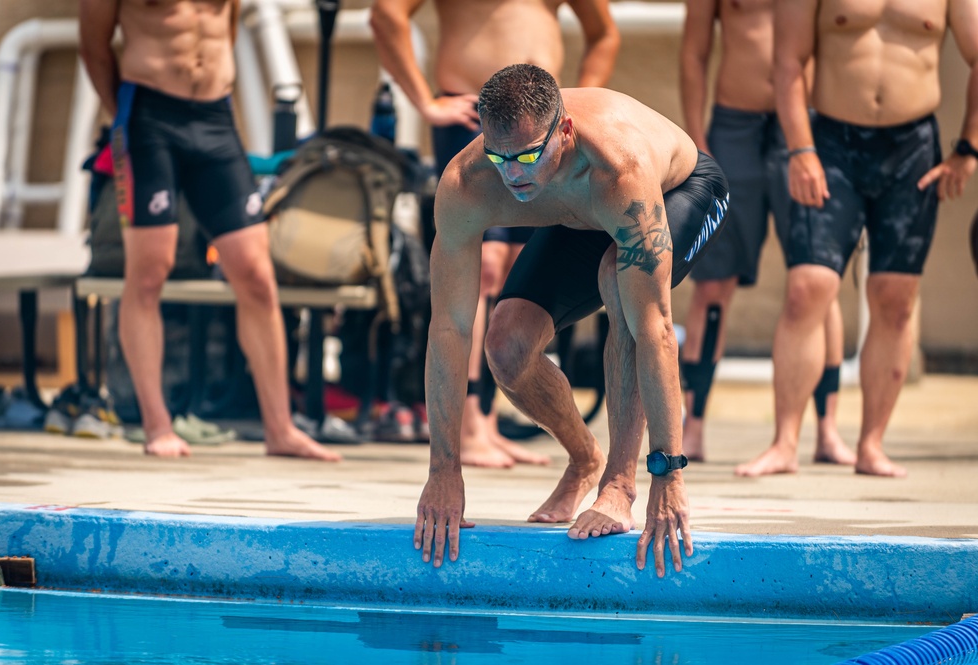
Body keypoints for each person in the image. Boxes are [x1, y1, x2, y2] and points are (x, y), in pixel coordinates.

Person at [414, 64, 730, 574]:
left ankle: (619, 484)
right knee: (506, 347)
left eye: (527, 157)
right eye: (501, 157)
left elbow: (656, 330)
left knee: (619, 284)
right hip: (574, 212)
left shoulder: (617, 168)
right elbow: (449, 327)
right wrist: (443, 469)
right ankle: (584, 458)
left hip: (678, 190)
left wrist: (668, 476)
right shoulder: (467, 183)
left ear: (563, 131)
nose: (513, 174)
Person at [78, 0, 341, 461]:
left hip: (216, 118)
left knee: (255, 274)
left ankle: (279, 428)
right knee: (148, 273)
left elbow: (228, 24)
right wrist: (125, 121)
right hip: (147, 118)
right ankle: (157, 425)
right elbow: (94, 47)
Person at [370, 0, 620, 468]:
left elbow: (604, 33)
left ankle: (486, 422)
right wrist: (424, 101)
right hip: (475, 117)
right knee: (483, 269)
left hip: (540, 136)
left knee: (508, 272)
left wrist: (580, 105)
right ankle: (466, 426)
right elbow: (385, 13)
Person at [737, 0, 978, 477]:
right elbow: (788, 61)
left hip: (912, 150)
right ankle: (785, 442)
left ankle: (872, 444)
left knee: (895, 299)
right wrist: (801, 149)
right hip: (831, 147)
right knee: (808, 288)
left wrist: (969, 147)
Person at [678, 0, 855, 465]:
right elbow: (693, 54)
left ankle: (828, 430)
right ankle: (692, 427)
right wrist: (697, 135)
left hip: (806, 127)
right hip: (734, 126)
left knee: (819, 279)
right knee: (713, 281)